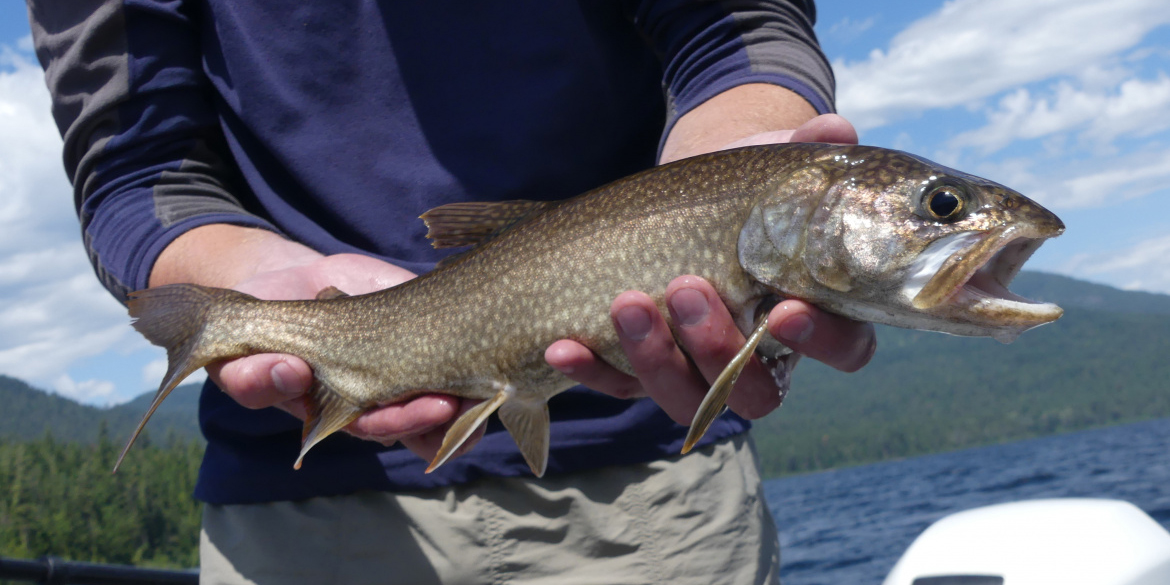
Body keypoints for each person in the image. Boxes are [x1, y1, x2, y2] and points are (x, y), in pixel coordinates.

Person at [29, 1, 875, 582]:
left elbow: (732, 26)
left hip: (659, 495)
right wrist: (234, 281)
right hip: (300, 517)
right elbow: (136, 165)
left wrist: (738, 156)